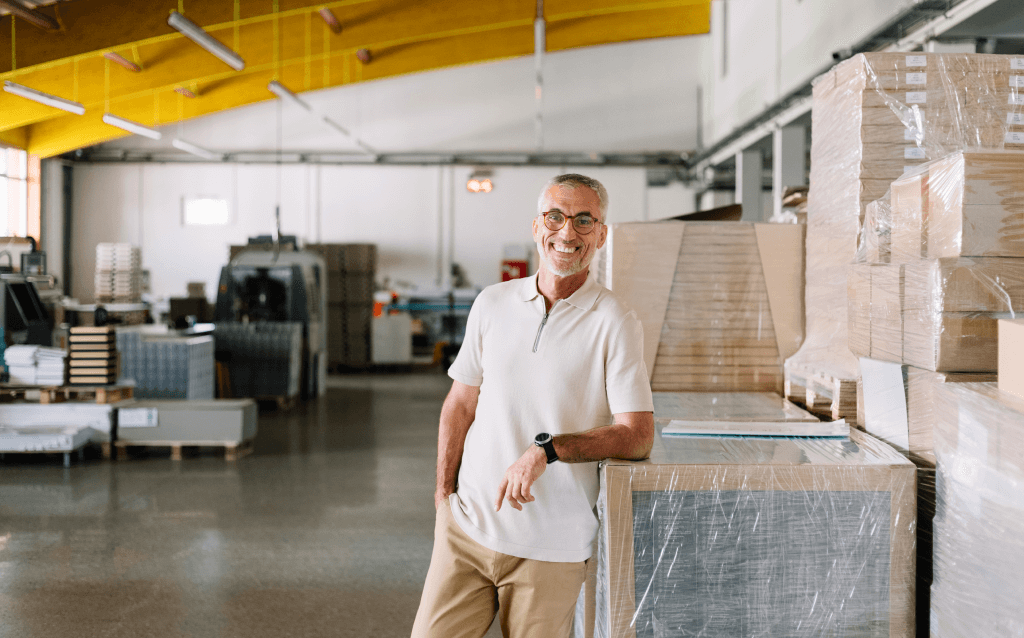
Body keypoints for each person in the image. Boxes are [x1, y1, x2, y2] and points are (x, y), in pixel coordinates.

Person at [411, 173, 654, 638]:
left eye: (584, 220)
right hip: (467, 530)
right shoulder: (492, 303)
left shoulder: (615, 321)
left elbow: (638, 435)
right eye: (555, 217)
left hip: (552, 548)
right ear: (537, 226)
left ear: (602, 235)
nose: (567, 232)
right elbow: (461, 403)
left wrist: (549, 450)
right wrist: (444, 497)